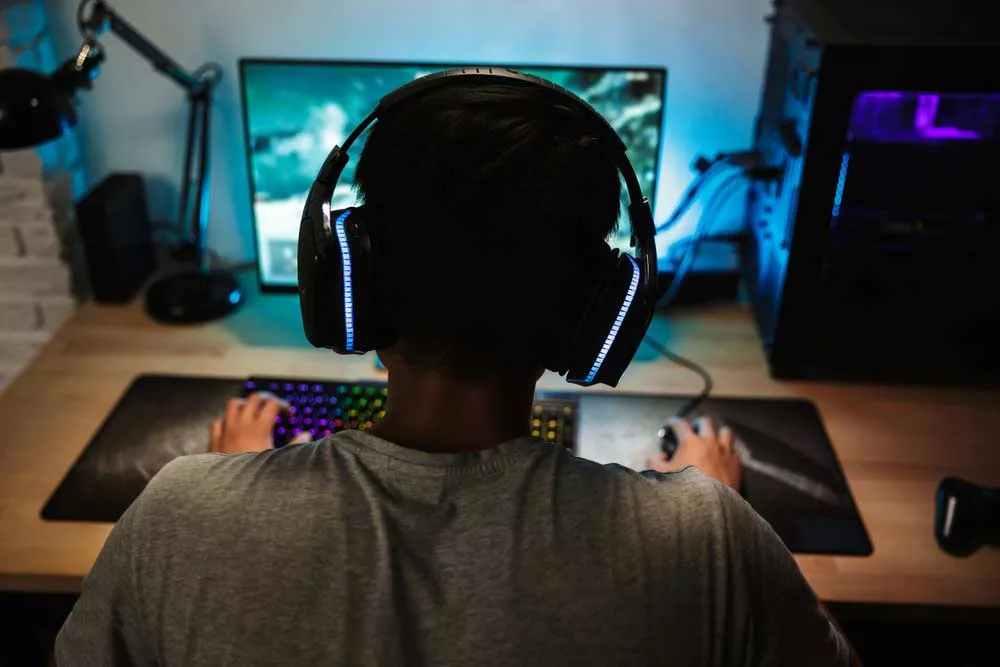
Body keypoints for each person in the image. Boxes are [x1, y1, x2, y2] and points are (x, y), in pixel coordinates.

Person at [55, 81, 857, 666]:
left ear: (351, 285)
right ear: (595, 313)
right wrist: (730, 514)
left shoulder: (180, 516)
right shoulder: (706, 539)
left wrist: (227, 496)